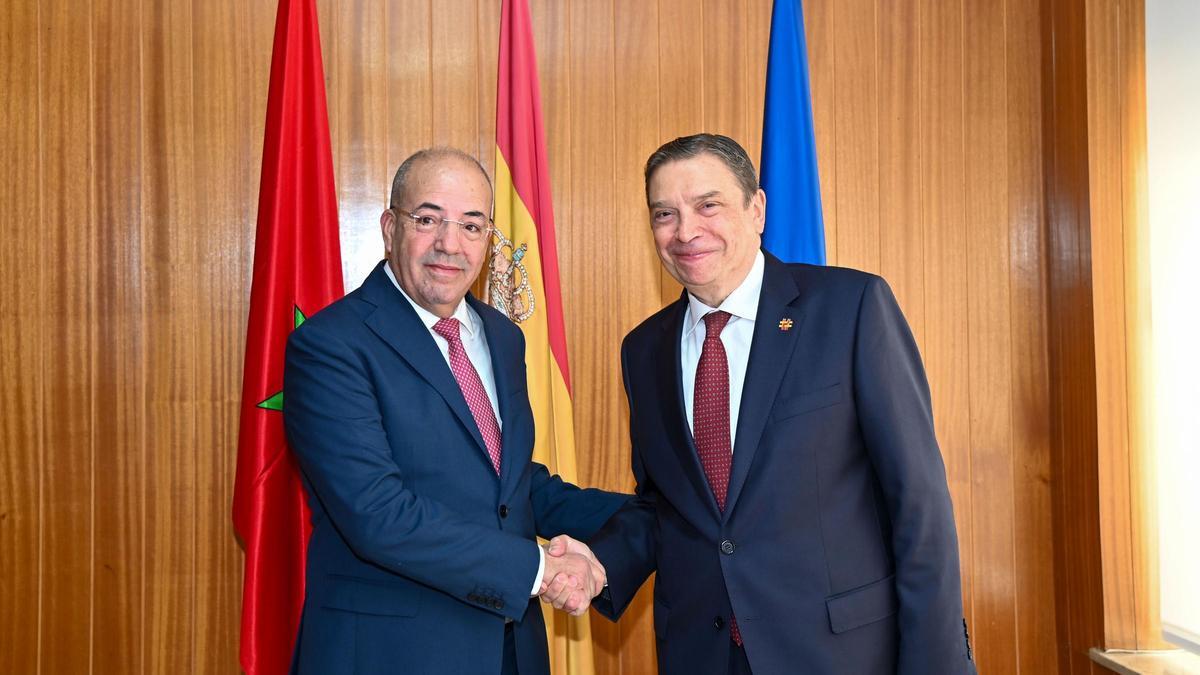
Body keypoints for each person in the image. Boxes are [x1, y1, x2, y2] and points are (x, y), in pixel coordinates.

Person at [546, 134, 975, 674]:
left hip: (841, 655)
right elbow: (668, 508)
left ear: (757, 209)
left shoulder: (850, 309)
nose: (686, 231)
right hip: (702, 655)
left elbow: (919, 503)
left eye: (708, 205)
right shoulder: (644, 350)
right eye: (664, 213)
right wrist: (602, 563)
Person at [283, 147, 627, 675]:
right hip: (390, 653)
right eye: (427, 219)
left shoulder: (502, 337)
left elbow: (509, 484)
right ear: (388, 226)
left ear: (489, 238)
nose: (449, 243)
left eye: (471, 225)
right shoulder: (331, 344)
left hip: (510, 650)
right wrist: (542, 570)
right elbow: (378, 514)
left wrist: (647, 516)